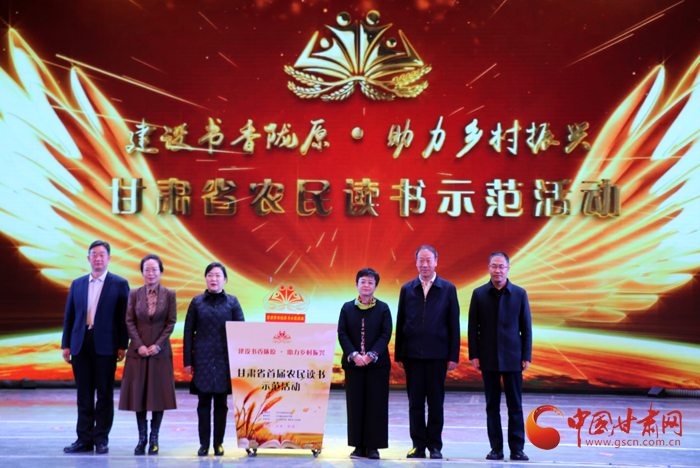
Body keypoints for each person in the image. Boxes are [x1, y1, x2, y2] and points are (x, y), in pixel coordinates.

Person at [61, 240, 130, 454]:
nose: (98, 258)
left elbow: (124, 318)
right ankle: (84, 439)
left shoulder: (119, 284)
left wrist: (122, 345)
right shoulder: (78, 284)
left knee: (104, 394)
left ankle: (101, 439)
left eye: (102, 254)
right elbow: (70, 316)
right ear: (88, 258)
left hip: (106, 346)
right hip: (80, 344)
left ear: (109, 258)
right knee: (84, 394)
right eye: (94, 254)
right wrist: (66, 344)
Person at [395, 245, 460, 459]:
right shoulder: (407, 289)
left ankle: (435, 446)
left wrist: (453, 355)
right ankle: (418, 445)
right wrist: (399, 354)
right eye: (421, 260)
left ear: (436, 261)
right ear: (416, 263)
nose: (425, 264)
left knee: (435, 403)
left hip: (438, 356)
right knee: (415, 403)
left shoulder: (448, 288)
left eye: (428, 260)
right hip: (412, 355)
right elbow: (401, 321)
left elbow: (454, 324)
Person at [468, 251, 532, 462]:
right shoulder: (479, 294)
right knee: (491, 406)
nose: (498, 270)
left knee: (515, 406)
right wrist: (474, 354)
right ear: (489, 268)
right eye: (494, 266)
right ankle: (496, 449)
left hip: (513, 358)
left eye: (501, 266)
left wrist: (526, 354)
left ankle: (517, 449)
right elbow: (473, 327)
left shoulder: (519, 294)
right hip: (488, 358)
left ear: (508, 269)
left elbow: (526, 327)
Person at [183, 262, 244, 457]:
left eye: (218, 275)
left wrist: (239, 361)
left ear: (224, 279)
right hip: (202, 360)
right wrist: (187, 361)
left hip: (224, 361)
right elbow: (188, 332)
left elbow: (241, 332)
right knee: (203, 404)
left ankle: (218, 444)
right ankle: (203, 444)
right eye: (210, 275)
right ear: (206, 278)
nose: (213, 279)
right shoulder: (196, 302)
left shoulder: (232, 302)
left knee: (221, 405)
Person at [118, 254, 177, 455]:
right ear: (142, 272)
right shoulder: (134, 293)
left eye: (154, 269)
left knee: (158, 396)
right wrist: (139, 345)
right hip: (138, 353)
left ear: (161, 271)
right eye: (147, 270)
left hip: (160, 353)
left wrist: (158, 345)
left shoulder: (169, 294)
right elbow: (129, 321)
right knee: (139, 395)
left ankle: (154, 438)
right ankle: (141, 438)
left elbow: (171, 322)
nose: (150, 273)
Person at [337, 268, 393, 460]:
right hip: (353, 365)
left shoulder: (383, 308)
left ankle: (373, 446)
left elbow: (386, 334)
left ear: (376, 286)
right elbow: (342, 333)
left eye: (370, 282)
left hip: (377, 366)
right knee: (355, 405)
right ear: (356, 285)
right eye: (363, 282)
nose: (366, 285)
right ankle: (358, 446)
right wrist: (354, 355)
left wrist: (370, 355)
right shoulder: (347, 308)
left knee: (376, 405)